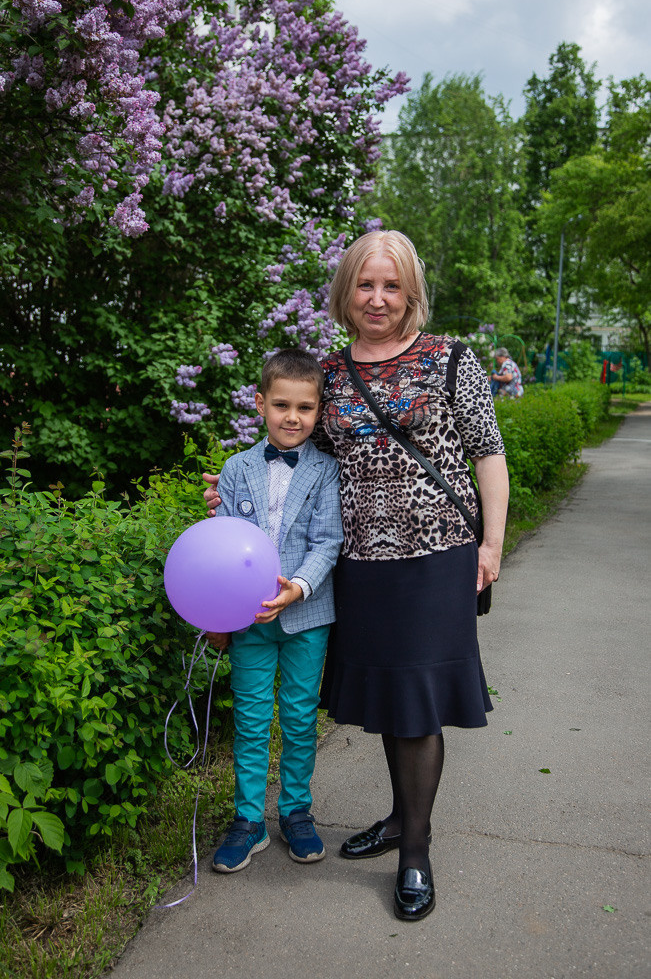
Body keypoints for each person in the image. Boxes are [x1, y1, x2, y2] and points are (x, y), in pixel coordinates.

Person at [205, 230, 509, 922]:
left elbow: (487, 454)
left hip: (436, 555)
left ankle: (415, 853)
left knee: (419, 703)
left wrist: (491, 543)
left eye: (391, 286)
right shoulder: (331, 375)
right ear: (345, 292)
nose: (378, 298)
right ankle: (400, 819)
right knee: (387, 702)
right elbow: (291, 455)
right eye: (365, 285)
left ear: (410, 293)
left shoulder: (451, 359)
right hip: (358, 564)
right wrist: (231, 489)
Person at [205, 348, 343, 875]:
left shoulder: (326, 470)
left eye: (305, 408)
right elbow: (225, 543)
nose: (292, 418)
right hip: (249, 619)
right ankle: (246, 820)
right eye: (281, 405)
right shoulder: (237, 469)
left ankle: (296, 811)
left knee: (301, 717)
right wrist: (219, 614)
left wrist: (299, 587)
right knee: (252, 718)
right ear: (260, 404)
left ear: (318, 411)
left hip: (307, 616)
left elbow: (328, 542)